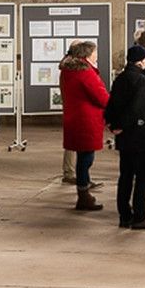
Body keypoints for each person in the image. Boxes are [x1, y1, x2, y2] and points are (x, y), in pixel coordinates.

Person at [105, 45, 145, 230]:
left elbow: (112, 103)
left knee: (126, 176)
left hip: (125, 138)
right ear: (142, 61)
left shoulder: (120, 78)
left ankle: (124, 215)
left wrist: (112, 124)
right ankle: (139, 216)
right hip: (140, 136)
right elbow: (136, 107)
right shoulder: (140, 79)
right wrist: (121, 125)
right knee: (143, 178)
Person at [59, 41, 109, 212]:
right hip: (86, 120)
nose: (97, 55)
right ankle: (84, 194)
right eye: (95, 52)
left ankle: (84, 192)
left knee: (83, 157)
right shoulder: (85, 72)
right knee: (86, 159)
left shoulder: (68, 71)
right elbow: (101, 96)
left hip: (75, 118)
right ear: (87, 55)